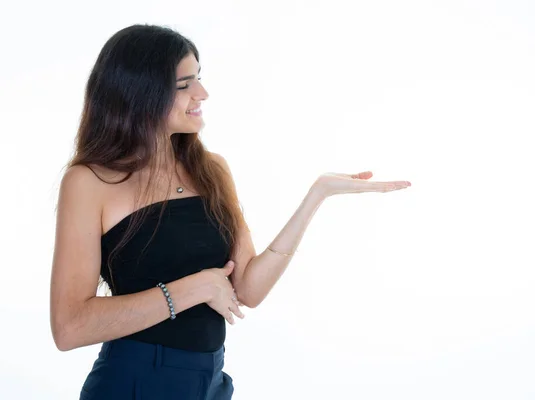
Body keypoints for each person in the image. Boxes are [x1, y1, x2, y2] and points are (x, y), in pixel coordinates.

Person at [49, 23, 411, 400]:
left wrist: (316, 196)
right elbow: (70, 327)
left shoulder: (212, 169)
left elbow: (248, 290)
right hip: (136, 382)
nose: (202, 93)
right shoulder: (89, 182)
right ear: (140, 93)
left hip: (210, 382)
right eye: (184, 84)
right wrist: (195, 288)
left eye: (199, 79)